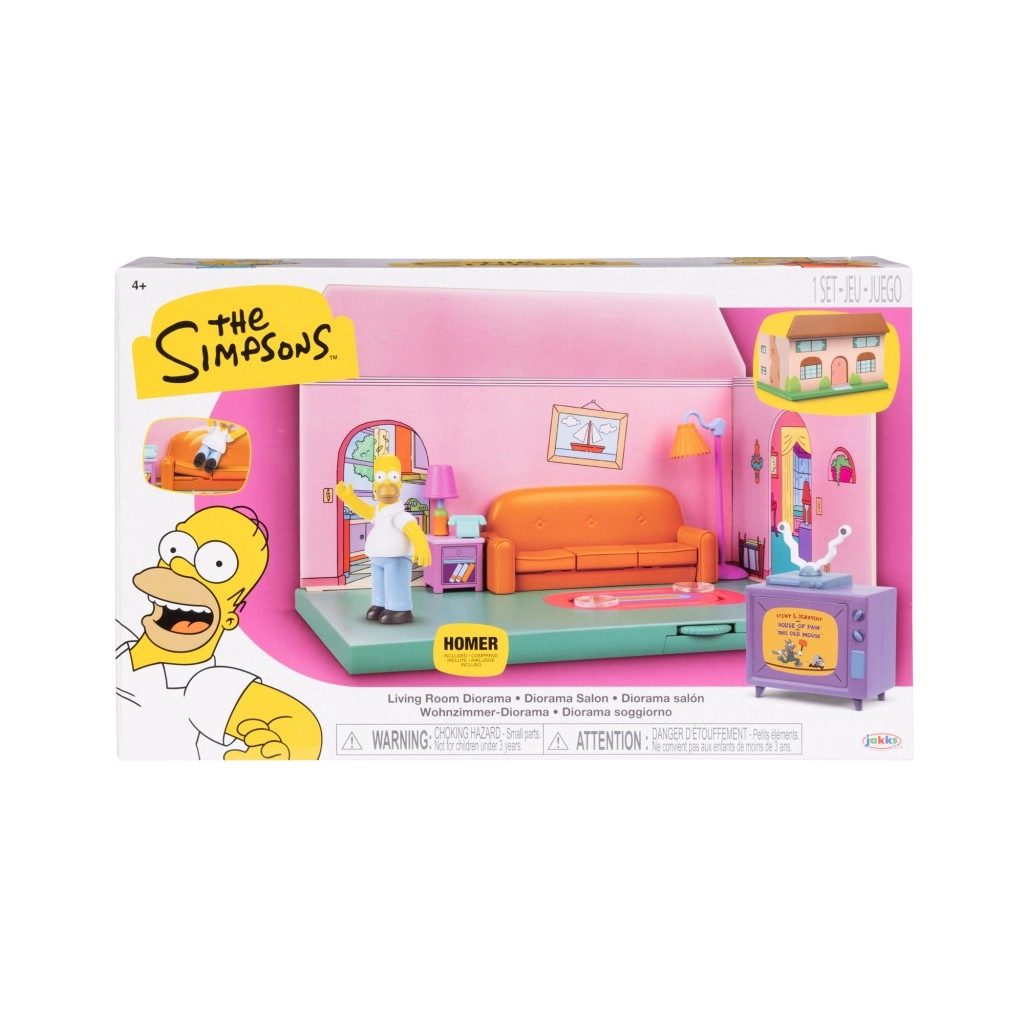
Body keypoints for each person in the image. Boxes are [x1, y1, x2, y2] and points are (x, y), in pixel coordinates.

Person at [116, 505, 321, 759]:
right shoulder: (118, 640)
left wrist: (278, 753)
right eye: (174, 550)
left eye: (217, 564)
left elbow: (298, 725)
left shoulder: (203, 686)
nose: (180, 566)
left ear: (230, 616)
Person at [337, 454, 431, 623]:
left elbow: (414, 530)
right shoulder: (380, 511)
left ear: (399, 484)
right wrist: (349, 498)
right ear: (375, 484)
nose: (387, 486)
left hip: (396, 558)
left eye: (393, 478)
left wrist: (422, 546)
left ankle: (399, 608)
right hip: (377, 558)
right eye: (381, 478)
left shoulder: (399, 515)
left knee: (395, 582)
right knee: (379, 582)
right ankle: (380, 604)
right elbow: (365, 510)